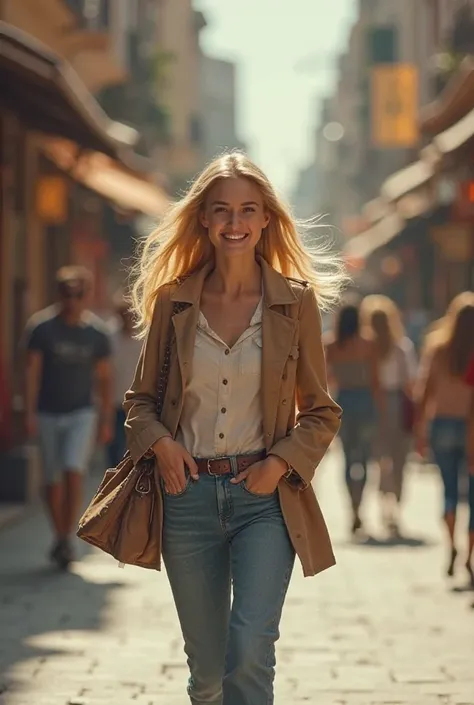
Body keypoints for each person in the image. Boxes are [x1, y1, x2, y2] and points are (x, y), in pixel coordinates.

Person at [124, 152, 343, 705]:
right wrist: (162, 444)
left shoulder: (295, 302)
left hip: (264, 501)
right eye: (221, 210)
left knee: (249, 650)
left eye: (248, 209)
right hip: (186, 499)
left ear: (267, 218)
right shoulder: (175, 299)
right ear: (203, 218)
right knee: (208, 672)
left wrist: (280, 463)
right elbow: (140, 403)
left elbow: (321, 410)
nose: (234, 223)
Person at [25, 266, 113, 569]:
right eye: (66, 293)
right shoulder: (42, 328)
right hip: (48, 411)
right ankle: (60, 535)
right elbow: (32, 372)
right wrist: (29, 411)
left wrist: (103, 420)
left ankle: (68, 537)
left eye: (78, 294)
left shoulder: (97, 334)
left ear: (86, 295)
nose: (72, 300)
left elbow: (103, 379)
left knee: (73, 471)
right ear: (58, 294)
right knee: (51, 479)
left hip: (81, 413)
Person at [416, 293, 474, 583]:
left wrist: (420, 432)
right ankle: (469, 557)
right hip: (470, 426)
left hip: (442, 425)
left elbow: (425, 392)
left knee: (449, 491)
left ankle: (452, 546)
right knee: (472, 494)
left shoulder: (438, 348)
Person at [325, 299, 382, 535]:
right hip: (366, 401)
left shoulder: (331, 344)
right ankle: (361, 506)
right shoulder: (369, 344)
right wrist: (381, 409)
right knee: (365, 457)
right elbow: (376, 380)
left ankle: (352, 509)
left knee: (348, 458)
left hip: (343, 403)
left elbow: (325, 380)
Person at [362, 295, 417, 535]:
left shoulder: (366, 349)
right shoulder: (402, 347)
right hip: (396, 402)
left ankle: (385, 506)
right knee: (399, 458)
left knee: (380, 460)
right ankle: (395, 507)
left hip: (372, 404)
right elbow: (411, 382)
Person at [107, 299, 142, 467]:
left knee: (136, 452)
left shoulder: (145, 335)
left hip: (138, 405)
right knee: (115, 454)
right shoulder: (109, 336)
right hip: (114, 404)